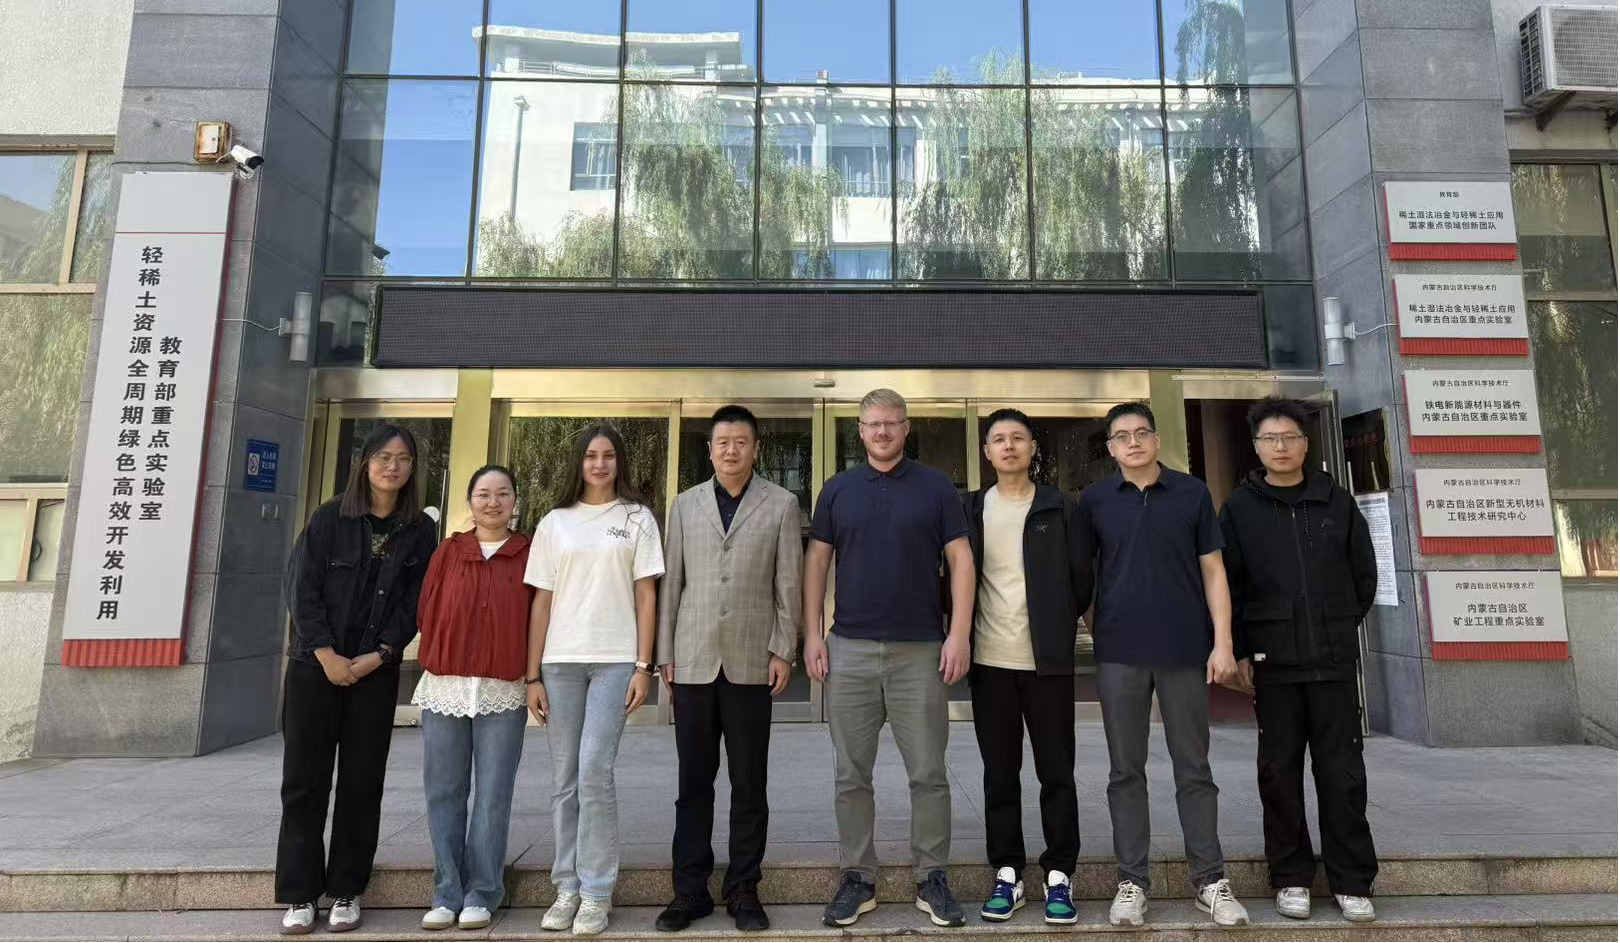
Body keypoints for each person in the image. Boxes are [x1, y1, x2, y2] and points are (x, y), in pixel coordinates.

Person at [802, 388, 975, 929]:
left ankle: (932, 877)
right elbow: (817, 562)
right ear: (860, 431)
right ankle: (858, 878)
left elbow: (961, 560)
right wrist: (813, 634)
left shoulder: (936, 487)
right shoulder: (838, 489)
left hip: (920, 650)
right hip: (849, 648)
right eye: (873, 424)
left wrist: (959, 634)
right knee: (851, 773)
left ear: (906, 428)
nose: (882, 432)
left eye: (892, 423)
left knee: (928, 772)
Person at [1080, 402, 1249, 929]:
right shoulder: (1095, 501)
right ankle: (1132, 881)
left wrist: (1223, 643)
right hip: (1120, 654)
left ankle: (1210, 881)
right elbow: (1087, 578)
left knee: (1193, 767)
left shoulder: (1192, 493)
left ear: (1156, 440)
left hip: (1184, 650)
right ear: (1110, 448)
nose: (1132, 442)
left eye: (1141, 433)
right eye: (1121, 436)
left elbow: (1214, 571)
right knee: (1125, 771)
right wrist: (1102, 629)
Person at [1219, 397, 1380, 923]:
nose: (1281, 447)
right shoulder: (1239, 509)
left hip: (1332, 661)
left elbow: (1364, 576)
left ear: (1306, 445)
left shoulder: (1336, 502)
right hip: (1275, 663)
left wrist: (1337, 624)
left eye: (1290, 437)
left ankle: (1352, 880)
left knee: (1343, 772)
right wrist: (1242, 648)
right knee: (1278, 772)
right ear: (1257, 447)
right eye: (1270, 439)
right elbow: (1231, 586)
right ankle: (1291, 875)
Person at [277, 423, 439, 935]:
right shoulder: (330, 517)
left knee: (362, 783)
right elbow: (302, 589)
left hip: (375, 672)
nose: (393, 467)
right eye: (384, 457)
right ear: (365, 463)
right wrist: (326, 654)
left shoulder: (419, 530)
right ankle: (301, 893)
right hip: (314, 668)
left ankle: (346, 888)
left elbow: (415, 603)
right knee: (304, 782)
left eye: (403, 459)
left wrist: (381, 654)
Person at [654, 405, 804, 934]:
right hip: (693, 660)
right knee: (693, 781)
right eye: (723, 442)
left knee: (749, 782)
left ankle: (744, 888)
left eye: (741, 442)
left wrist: (783, 650)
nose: (731, 450)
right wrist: (665, 652)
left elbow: (788, 583)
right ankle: (689, 890)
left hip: (751, 661)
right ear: (710, 449)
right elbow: (672, 583)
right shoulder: (685, 504)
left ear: (756, 449)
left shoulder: (781, 503)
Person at [524, 424, 665, 936]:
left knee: (593, 771)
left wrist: (644, 666)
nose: (599, 464)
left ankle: (597, 891)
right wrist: (532, 674)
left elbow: (647, 595)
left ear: (619, 462)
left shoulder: (637, 518)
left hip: (615, 661)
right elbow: (541, 601)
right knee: (564, 778)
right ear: (578, 463)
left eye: (607, 455)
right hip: (559, 662)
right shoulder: (554, 522)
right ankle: (567, 886)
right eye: (590, 456)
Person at [962, 409, 1094, 925]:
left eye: (1018, 437)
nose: (1009, 445)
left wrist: (1056, 624)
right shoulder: (972, 508)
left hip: (1048, 662)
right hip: (989, 660)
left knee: (1056, 771)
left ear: (1033, 447)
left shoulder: (1060, 507)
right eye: (999, 439)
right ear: (987, 452)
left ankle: (1059, 875)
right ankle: (1007, 873)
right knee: (1000, 773)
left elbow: (1082, 578)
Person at [413, 465, 533, 932]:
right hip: (446, 685)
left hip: (503, 688)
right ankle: (446, 892)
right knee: (443, 791)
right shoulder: (449, 551)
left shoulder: (528, 552)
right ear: (470, 501)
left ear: (515, 501)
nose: (493, 502)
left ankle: (482, 892)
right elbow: (426, 607)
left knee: (493, 794)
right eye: (483, 494)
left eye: (503, 493)